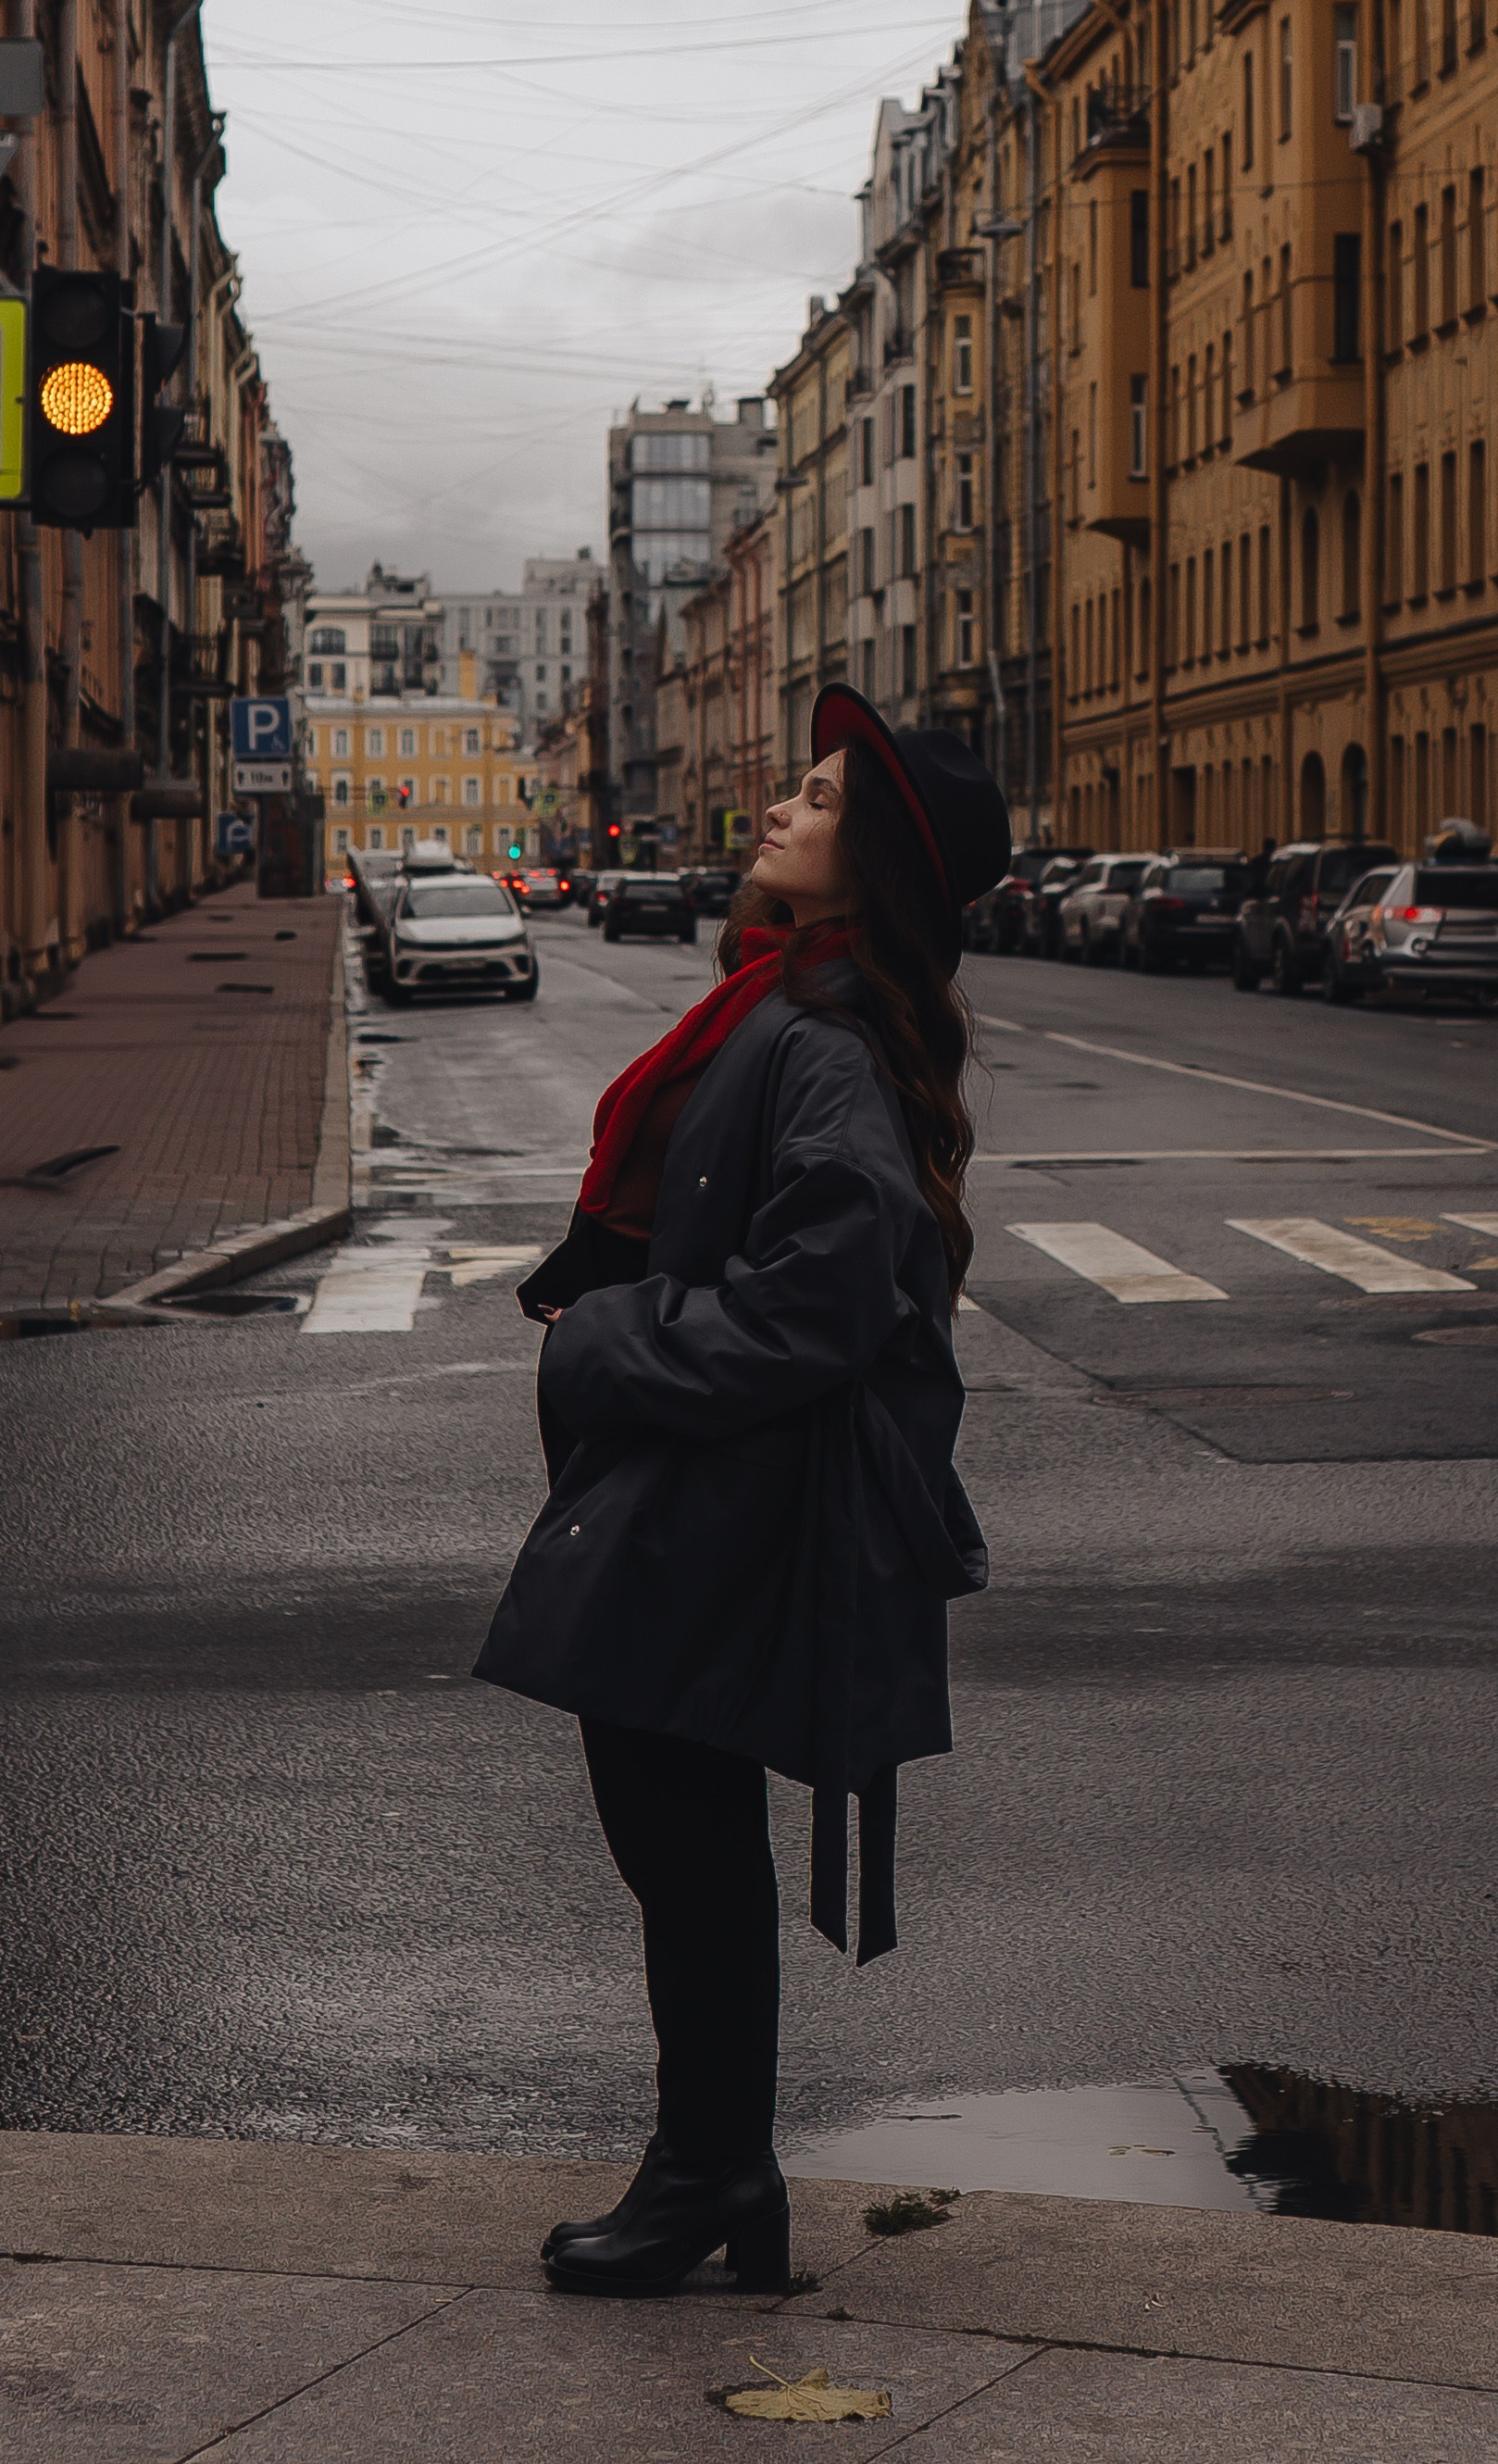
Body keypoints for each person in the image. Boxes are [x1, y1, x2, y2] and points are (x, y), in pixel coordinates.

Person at [474, 686, 1011, 2299]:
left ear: (879, 876)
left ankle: (711, 2167)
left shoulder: (824, 1040)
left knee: (684, 1843)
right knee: (680, 1837)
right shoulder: (778, 1005)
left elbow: (825, 1304)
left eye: (823, 800)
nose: (782, 803)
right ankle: (720, 2170)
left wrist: (606, 1341)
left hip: (726, 1493)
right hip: (701, 1481)